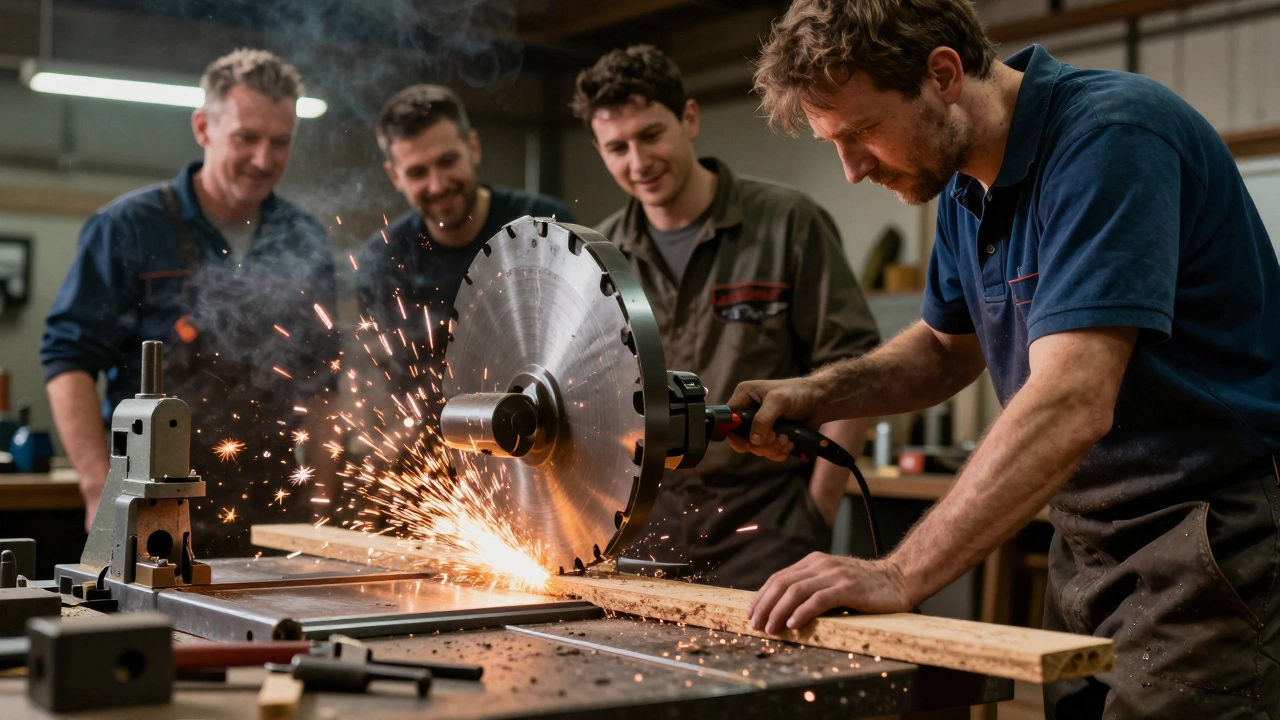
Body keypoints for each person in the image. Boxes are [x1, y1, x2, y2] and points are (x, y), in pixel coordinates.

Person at [735, 1, 1280, 716]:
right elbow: (941, 348)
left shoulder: (1110, 137)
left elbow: (1072, 399)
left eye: (863, 133)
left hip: (1210, 537)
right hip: (1087, 544)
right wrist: (817, 394)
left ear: (942, 74)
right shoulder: (966, 188)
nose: (852, 170)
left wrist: (900, 572)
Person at [571, 45, 881, 590]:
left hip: (766, 530)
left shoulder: (790, 225)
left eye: (650, 135)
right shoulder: (599, 257)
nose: (638, 163)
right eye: (616, 147)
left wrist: (815, 514)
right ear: (598, 150)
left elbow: (854, 369)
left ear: (689, 119)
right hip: (642, 528)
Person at [41, 49, 338, 557]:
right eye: (246, 138)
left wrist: (322, 502)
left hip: (272, 510)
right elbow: (67, 361)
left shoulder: (304, 236)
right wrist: (97, 487)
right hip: (154, 504)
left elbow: (323, 383)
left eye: (280, 142)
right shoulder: (127, 228)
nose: (264, 160)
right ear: (203, 127)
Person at [356, 85, 574, 419]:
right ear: (394, 176)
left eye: (447, 161)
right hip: (433, 442)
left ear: (473, 147)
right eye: (417, 172)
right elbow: (394, 383)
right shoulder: (383, 259)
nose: (438, 184)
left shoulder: (546, 229)